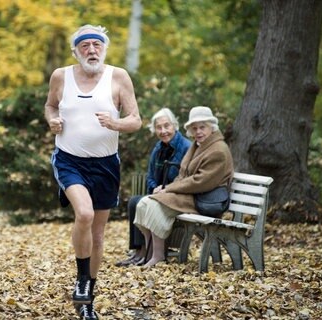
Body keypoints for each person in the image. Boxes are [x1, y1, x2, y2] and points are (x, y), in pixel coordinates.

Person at [45, 24, 141, 319]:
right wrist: (52, 120)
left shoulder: (118, 76)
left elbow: (136, 120)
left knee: (98, 235)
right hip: (69, 160)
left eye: (96, 45)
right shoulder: (61, 76)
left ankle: (88, 303)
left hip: (106, 164)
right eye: (84, 45)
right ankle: (81, 280)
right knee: (84, 214)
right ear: (76, 51)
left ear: (104, 49)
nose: (91, 50)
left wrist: (115, 124)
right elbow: (50, 106)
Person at [133, 106, 234, 268]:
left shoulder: (218, 150)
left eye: (202, 127)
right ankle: (152, 253)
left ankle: (158, 256)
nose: (198, 131)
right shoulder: (198, 145)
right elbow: (183, 173)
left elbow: (200, 181)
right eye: (194, 128)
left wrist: (170, 189)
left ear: (212, 127)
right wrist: (167, 188)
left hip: (204, 199)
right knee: (143, 204)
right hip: (191, 195)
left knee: (153, 204)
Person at [115, 108, 191, 267]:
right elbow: (150, 176)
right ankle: (139, 251)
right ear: (154, 129)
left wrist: (167, 188)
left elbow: (186, 178)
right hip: (160, 193)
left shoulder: (185, 147)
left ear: (175, 126)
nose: (163, 131)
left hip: (176, 195)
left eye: (167, 126)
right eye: (159, 127)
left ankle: (147, 253)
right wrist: (154, 187)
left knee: (140, 202)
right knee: (134, 201)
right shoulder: (158, 149)